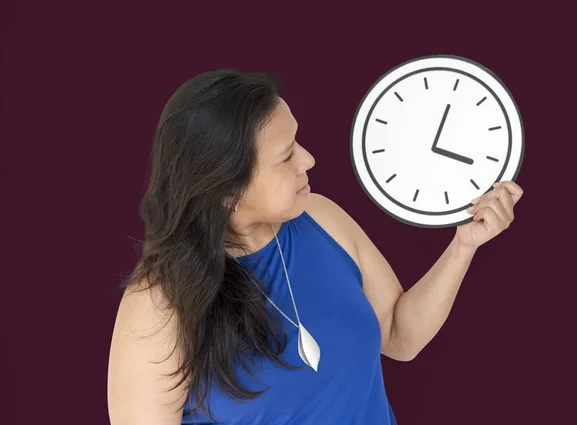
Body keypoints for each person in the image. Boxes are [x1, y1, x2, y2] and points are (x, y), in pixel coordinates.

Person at [107, 68, 523, 425]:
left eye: (298, 142)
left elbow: (400, 334)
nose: (308, 159)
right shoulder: (159, 305)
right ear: (226, 188)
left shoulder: (320, 217)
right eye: (287, 155)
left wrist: (464, 245)